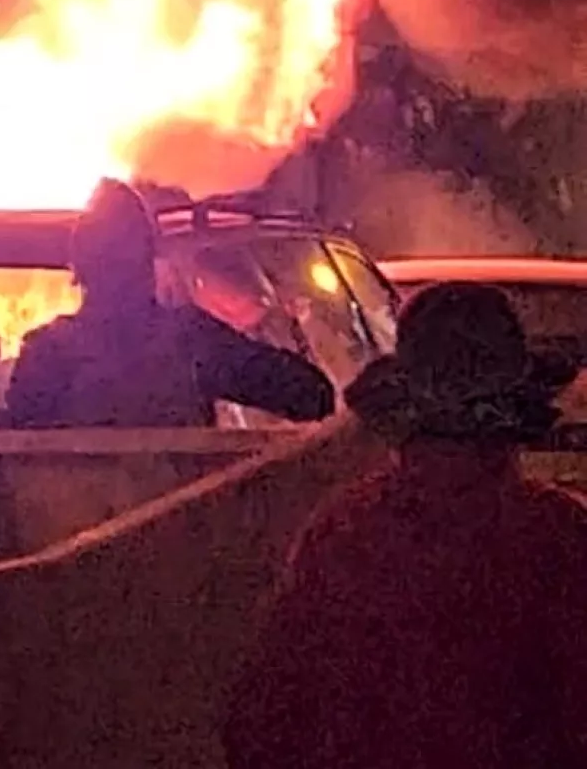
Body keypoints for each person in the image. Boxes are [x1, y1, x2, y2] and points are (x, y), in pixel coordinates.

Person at [224, 282, 587, 769]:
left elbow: (266, 724)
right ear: (513, 421)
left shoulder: (342, 535)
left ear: (403, 416)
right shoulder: (557, 540)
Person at [6, 179, 335, 427]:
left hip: (77, 518)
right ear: (149, 262)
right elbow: (311, 395)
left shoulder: (46, 352)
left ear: (79, 269)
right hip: (186, 514)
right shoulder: (191, 340)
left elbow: (19, 448)